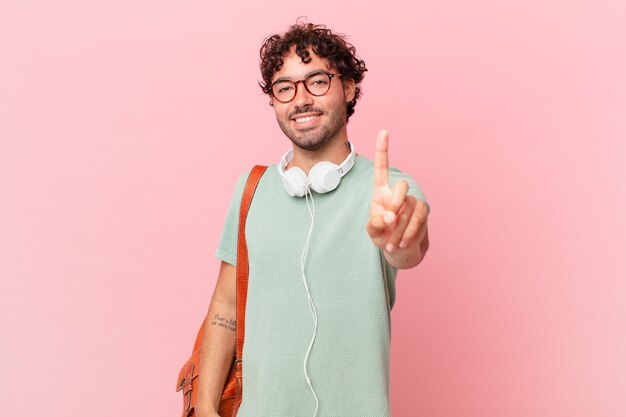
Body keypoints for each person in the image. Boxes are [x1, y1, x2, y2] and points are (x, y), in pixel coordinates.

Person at [196, 21, 431, 417]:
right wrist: (204, 410)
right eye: (284, 87)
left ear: (349, 88)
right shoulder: (251, 189)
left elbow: (409, 249)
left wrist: (400, 238)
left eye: (317, 81)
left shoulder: (390, 191)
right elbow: (225, 306)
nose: (300, 99)